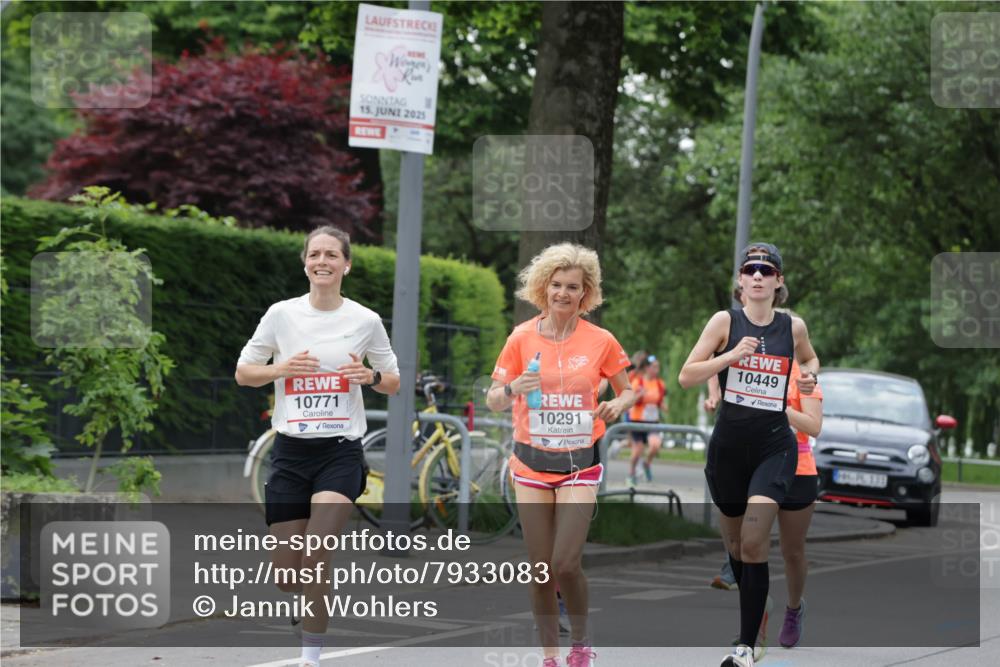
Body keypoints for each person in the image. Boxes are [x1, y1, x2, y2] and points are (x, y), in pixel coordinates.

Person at [235, 226, 400, 667]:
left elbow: (394, 380)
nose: (322, 261)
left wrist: (371, 378)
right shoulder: (281, 315)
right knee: (289, 573)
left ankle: (312, 656)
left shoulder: (365, 320)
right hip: (290, 453)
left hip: (339, 452)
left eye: (331, 254)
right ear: (305, 263)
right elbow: (243, 372)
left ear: (346, 264)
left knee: (318, 548)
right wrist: (282, 369)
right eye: (315, 254)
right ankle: (305, 595)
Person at [486, 243, 634, 667]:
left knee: (565, 564)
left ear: (586, 294)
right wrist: (514, 388)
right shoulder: (521, 337)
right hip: (530, 465)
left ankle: (582, 643)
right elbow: (495, 398)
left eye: (573, 287)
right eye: (557, 285)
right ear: (543, 288)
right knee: (540, 571)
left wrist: (617, 405)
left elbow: (628, 389)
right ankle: (551, 654)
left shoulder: (601, 340)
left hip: (578, 467)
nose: (564, 294)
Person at [679, 242, 818, 667]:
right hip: (729, 450)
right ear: (740, 281)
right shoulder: (725, 321)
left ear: (778, 282)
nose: (758, 276)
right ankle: (759, 608)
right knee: (738, 548)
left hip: (774, 447)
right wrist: (729, 357)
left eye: (767, 270)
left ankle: (744, 645)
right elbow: (687, 375)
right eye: (750, 269)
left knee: (756, 542)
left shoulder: (792, 328)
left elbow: (809, 358)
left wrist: (809, 377)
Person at [777, 353, 823, 649]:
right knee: (744, 543)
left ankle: (793, 609)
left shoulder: (803, 376)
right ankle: (753, 606)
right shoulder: (747, 366)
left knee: (792, 552)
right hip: (756, 467)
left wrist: (778, 408)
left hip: (798, 471)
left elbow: (813, 426)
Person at [626, 355, 667, 486]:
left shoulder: (660, 384)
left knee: (655, 445)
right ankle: (631, 474)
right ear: (647, 368)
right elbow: (629, 401)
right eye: (654, 367)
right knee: (638, 450)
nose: (657, 370)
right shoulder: (638, 382)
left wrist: (663, 406)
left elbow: (659, 401)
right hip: (637, 420)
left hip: (652, 421)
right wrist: (639, 395)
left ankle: (646, 464)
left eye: (658, 367)